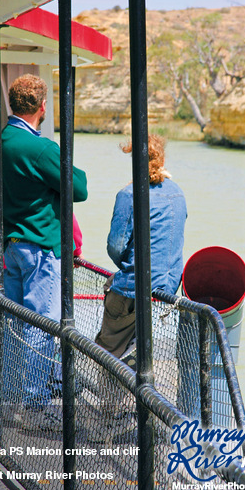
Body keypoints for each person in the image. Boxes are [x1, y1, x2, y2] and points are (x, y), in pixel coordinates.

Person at [1, 74, 87, 422]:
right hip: (39, 250)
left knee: (13, 326)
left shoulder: (5, 139)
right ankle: (36, 407)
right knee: (40, 328)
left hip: (13, 246)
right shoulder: (41, 148)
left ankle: (8, 403)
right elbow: (78, 186)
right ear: (41, 107)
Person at [95, 134, 187, 366]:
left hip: (132, 289)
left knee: (107, 354)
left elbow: (115, 247)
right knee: (138, 357)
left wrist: (127, 266)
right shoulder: (178, 193)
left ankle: (109, 401)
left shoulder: (129, 194)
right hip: (164, 292)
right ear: (162, 158)